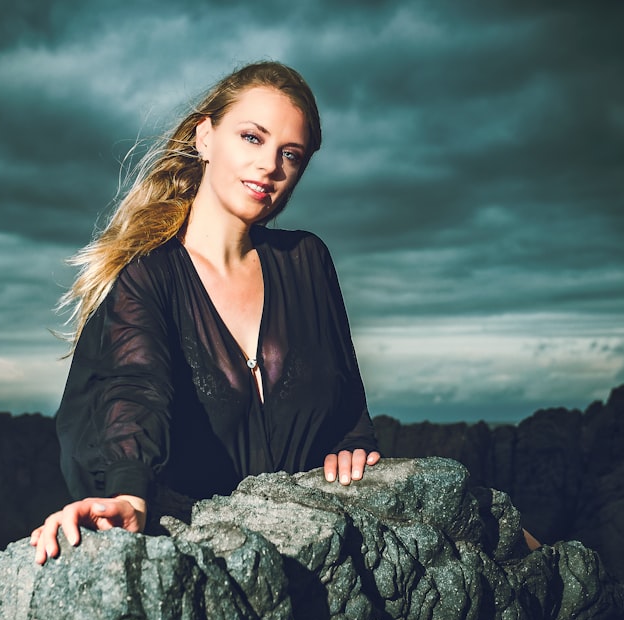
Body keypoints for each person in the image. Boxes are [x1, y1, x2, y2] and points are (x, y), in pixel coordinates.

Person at [32, 61, 381, 565]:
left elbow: (345, 390)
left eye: (291, 154)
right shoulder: (148, 274)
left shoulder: (307, 259)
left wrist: (353, 443)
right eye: (252, 137)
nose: (270, 167)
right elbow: (135, 387)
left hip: (314, 557)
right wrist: (128, 493)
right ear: (205, 138)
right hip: (208, 559)